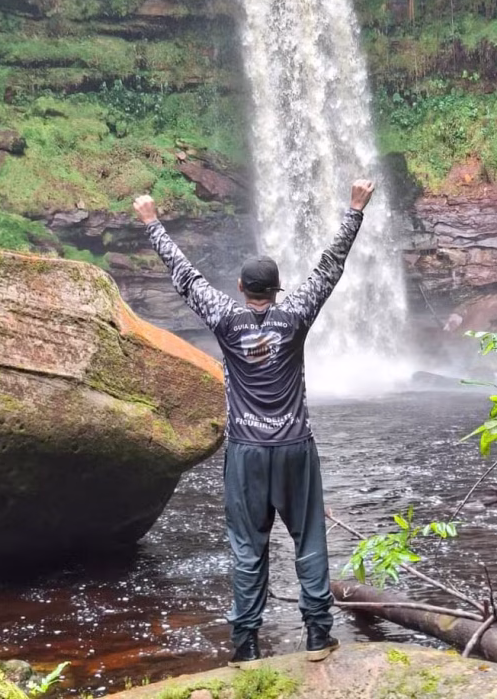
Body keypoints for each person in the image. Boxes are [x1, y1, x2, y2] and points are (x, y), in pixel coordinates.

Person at [132, 179, 375, 667]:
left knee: (247, 550)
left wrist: (151, 222)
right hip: (294, 447)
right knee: (308, 541)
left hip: (245, 451)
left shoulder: (224, 317)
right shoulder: (296, 316)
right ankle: (316, 638)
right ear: (278, 289)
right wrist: (354, 209)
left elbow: (184, 277)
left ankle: (245, 646)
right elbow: (329, 269)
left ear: (242, 289)